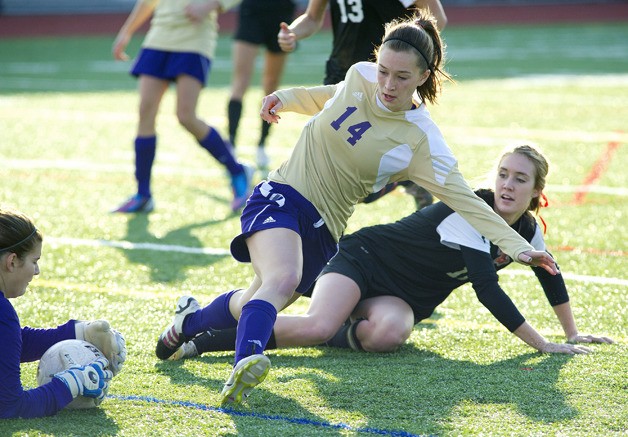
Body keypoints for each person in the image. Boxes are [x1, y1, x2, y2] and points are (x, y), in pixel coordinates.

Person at [154, 12, 559, 406]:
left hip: (325, 231)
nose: (387, 83)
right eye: (383, 70)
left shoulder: (422, 141)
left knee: (253, 300)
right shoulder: (361, 74)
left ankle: (187, 324)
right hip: (282, 192)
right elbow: (327, 97)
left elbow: (468, 202)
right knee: (282, 278)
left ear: (423, 76)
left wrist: (520, 248)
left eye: (402, 77)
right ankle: (246, 363)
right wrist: (287, 98)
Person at [171, 145, 615, 358]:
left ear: (537, 190)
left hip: (402, 298)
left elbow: (549, 274)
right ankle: (205, 335)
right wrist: (544, 346)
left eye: (520, 178)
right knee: (315, 324)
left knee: (385, 336)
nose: (507, 184)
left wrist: (571, 332)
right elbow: (486, 288)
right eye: (503, 173)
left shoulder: (527, 228)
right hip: (362, 260)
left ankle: (326, 327)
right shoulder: (472, 210)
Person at [277, 0, 448, 208]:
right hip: (341, 76)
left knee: (358, 181)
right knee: (321, 164)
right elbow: (312, 18)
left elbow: (437, 18)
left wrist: (408, 52)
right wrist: (292, 33)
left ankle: (405, 178)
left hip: (382, 83)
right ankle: (315, 229)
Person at [111, 0, 252, 214]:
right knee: (145, 112)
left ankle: (237, 170)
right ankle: (143, 194)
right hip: (158, 37)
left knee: (186, 116)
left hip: (194, 40)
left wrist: (212, 4)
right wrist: (126, 31)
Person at [0, 207, 127, 419]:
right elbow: (10, 407)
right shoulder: (3, 313)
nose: (37, 271)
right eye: (35, 261)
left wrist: (79, 333)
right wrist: (71, 384)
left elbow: (6, 344)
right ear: (12, 261)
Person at [226, 0, 297, 170]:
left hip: (281, 11)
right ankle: (231, 144)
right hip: (253, 9)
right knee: (240, 82)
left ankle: (262, 145)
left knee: (271, 84)